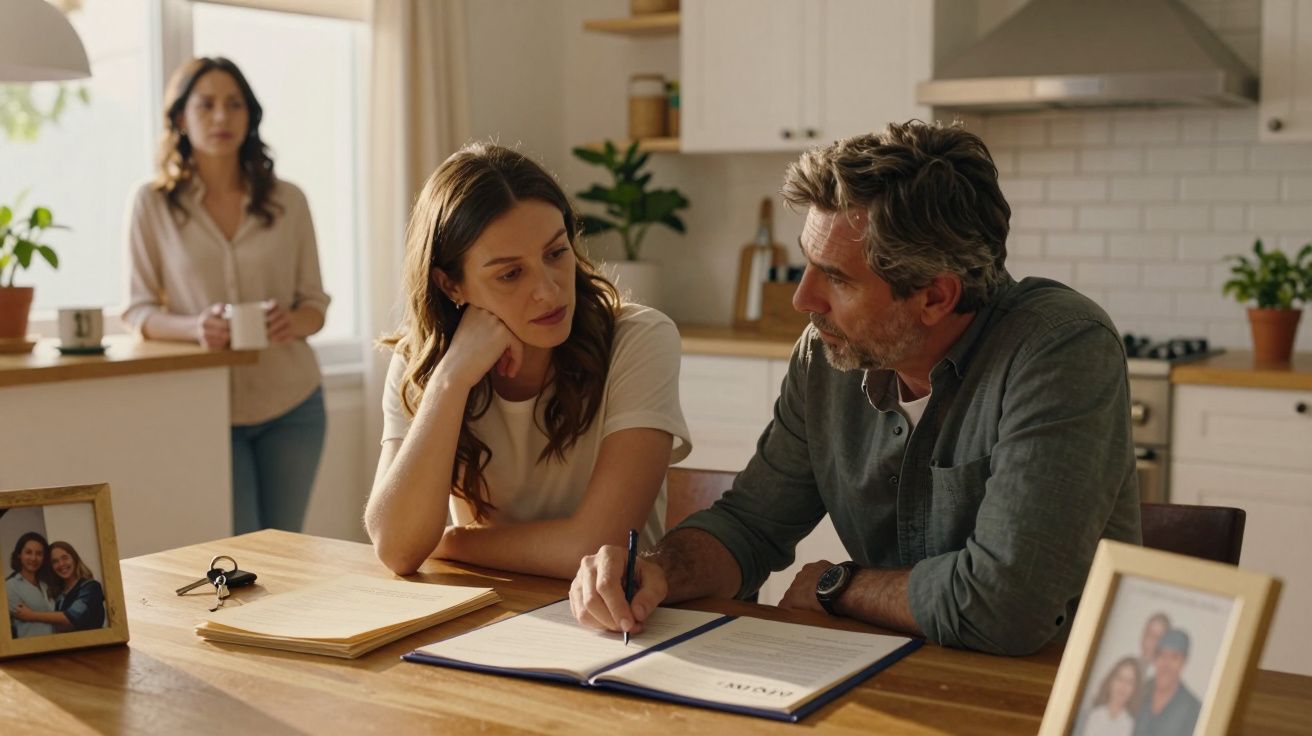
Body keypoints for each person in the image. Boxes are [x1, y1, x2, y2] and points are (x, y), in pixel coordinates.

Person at [568, 120, 1140, 656]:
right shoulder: (827, 352)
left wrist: (837, 586)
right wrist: (659, 570)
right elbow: (751, 526)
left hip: (1049, 690)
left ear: (935, 297)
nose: (802, 300)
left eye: (836, 278)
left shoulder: (1060, 348)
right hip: (885, 673)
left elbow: (1007, 604)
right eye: (808, 265)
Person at [365, 143, 691, 578]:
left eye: (556, 253)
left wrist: (452, 541)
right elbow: (397, 546)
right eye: (510, 274)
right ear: (450, 284)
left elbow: (595, 547)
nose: (550, 291)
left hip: (616, 618)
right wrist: (450, 380)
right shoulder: (424, 361)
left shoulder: (639, 340)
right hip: (487, 612)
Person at [123, 57, 330, 534]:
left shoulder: (289, 200)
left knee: (286, 552)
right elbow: (138, 310)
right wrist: (196, 328)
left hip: (293, 403)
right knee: (237, 559)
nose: (221, 118)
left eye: (234, 105)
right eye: (207, 104)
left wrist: (290, 322)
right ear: (180, 117)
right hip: (207, 410)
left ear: (249, 116)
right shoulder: (151, 203)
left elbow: (315, 305)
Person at [12, 542, 106, 633]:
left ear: (74, 558)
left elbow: (70, 618)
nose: (61, 564)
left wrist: (31, 615)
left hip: (95, 647)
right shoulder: (59, 596)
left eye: (65, 558)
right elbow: (59, 627)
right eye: (55, 561)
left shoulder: (91, 587)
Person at [1134, 629, 1201, 736]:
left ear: (1183, 662)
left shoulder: (1192, 708)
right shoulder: (1137, 693)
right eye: (1162, 656)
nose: (1166, 664)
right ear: (1155, 659)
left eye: (1174, 657)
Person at [5, 532, 56, 638]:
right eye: (28, 552)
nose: (33, 558)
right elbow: (21, 617)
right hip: (32, 649)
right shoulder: (10, 586)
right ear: (19, 555)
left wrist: (32, 615)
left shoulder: (46, 584)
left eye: (39, 553)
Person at [1078, 657, 1141, 736]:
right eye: (1120, 678)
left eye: (1129, 682)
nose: (1123, 686)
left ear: (1134, 689)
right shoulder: (1088, 716)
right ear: (1111, 681)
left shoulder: (1132, 727)